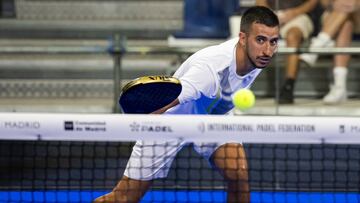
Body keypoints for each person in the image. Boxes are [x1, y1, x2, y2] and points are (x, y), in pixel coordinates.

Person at [94, 6, 279, 203]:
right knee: (125, 197)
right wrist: (145, 118)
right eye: (260, 40)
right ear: (243, 38)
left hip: (212, 117)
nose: (267, 50)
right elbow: (171, 99)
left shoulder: (257, 56)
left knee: (239, 175)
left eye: (273, 42)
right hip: (172, 121)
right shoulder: (209, 70)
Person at [256, 0, 318, 104]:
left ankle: (288, 86)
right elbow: (260, 1)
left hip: (299, 15)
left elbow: (313, 1)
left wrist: (294, 13)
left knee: (293, 36)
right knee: (251, 34)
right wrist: (270, 15)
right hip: (270, 15)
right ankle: (241, 84)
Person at [300, 0, 360, 104]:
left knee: (346, 10)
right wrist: (333, 3)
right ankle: (340, 87)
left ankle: (315, 47)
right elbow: (324, 2)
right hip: (336, 15)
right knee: (346, 23)